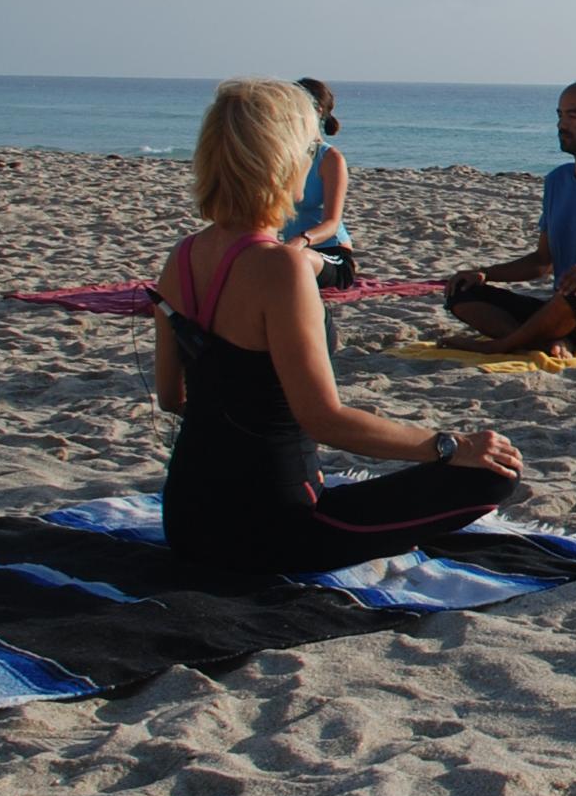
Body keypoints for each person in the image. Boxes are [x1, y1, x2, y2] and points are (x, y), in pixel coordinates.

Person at [154, 79, 523, 575]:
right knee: (495, 476)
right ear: (287, 160)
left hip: (186, 518)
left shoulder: (181, 257)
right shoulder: (278, 269)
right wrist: (449, 445)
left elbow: (170, 397)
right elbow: (323, 419)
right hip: (273, 527)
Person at [439, 81, 576, 357]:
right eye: (559, 115)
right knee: (461, 292)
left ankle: (505, 345)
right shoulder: (557, 181)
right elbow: (542, 262)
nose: (561, 125)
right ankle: (546, 341)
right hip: (561, 308)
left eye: (572, 116)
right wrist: (485, 274)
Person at [279, 77, 355, 289]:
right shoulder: (284, 155)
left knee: (292, 259)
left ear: (317, 111)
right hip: (291, 248)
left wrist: (301, 240)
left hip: (330, 252)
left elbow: (331, 223)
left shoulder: (330, 158)